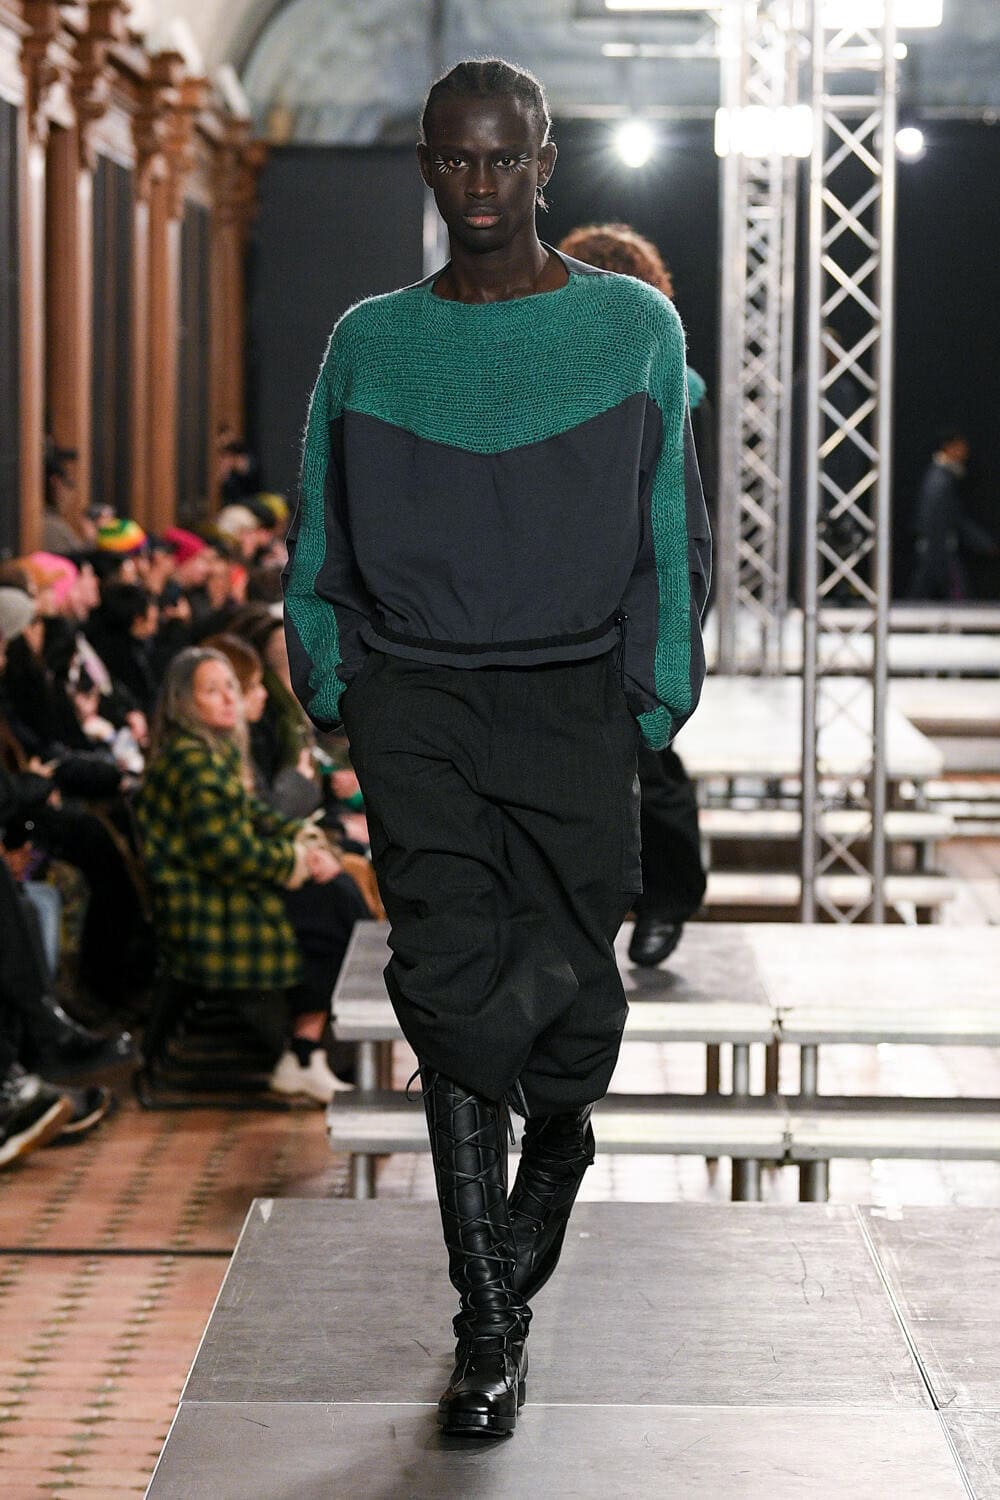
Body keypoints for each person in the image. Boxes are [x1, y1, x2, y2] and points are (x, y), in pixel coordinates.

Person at [283, 58, 709, 1437]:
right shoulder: (371, 341)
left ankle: (561, 1136)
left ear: (543, 162)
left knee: (572, 1002)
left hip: (573, 701)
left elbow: (670, 531)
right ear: (426, 164)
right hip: (419, 702)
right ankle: (486, 1324)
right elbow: (320, 532)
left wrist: (650, 702)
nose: (479, 182)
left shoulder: (632, 329)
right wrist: (341, 686)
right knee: (447, 978)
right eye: (455, 158)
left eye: (502, 157)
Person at [558, 223, 710, 966]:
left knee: (647, 750)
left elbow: (682, 508)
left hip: (633, 583)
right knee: (619, 757)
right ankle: (646, 906)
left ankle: (658, 904)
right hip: (573, 587)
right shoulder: (548, 370)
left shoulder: (671, 382)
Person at [136, 647, 352, 1103]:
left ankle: (305, 1054)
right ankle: (303, 1053)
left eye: (231, 687)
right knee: (332, 908)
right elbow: (228, 852)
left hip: (224, 888)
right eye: (211, 691)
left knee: (336, 894)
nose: (228, 699)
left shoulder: (208, 751)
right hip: (207, 903)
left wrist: (305, 842)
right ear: (184, 701)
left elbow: (255, 816)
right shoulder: (190, 761)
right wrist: (297, 860)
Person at [907, 430, 998, 600]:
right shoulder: (939, 480)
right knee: (955, 595)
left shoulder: (941, 477)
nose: (965, 452)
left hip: (936, 547)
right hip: (938, 547)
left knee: (923, 594)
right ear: (949, 447)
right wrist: (982, 542)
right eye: (961, 447)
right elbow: (949, 518)